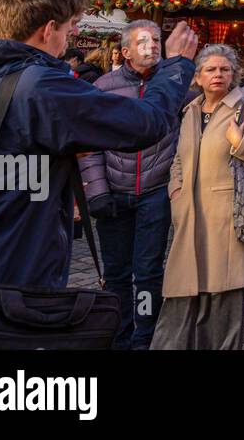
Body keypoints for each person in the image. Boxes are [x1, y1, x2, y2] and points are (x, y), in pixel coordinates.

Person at [0, 0, 197, 289]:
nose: (75, 34)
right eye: (71, 26)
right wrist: (176, 66)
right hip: (2, 285)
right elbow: (145, 124)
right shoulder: (38, 86)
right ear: (49, 30)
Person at [152, 45, 244, 350]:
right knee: (180, 296)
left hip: (226, 221)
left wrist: (240, 142)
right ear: (198, 77)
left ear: (233, 75)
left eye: (224, 69)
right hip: (190, 217)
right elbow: (179, 158)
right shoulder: (191, 110)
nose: (218, 75)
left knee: (223, 302)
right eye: (210, 69)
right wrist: (176, 191)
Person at [78, 20, 181, 350]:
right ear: (125, 51)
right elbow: (89, 142)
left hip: (155, 191)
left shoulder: (174, 84)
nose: (152, 46)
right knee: (117, 272)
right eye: (143, 41)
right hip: (113, 192)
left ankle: (144, 336)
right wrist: (96, 191)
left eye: (156, 40)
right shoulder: (104, 86)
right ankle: (118, 335)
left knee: (149, 272)